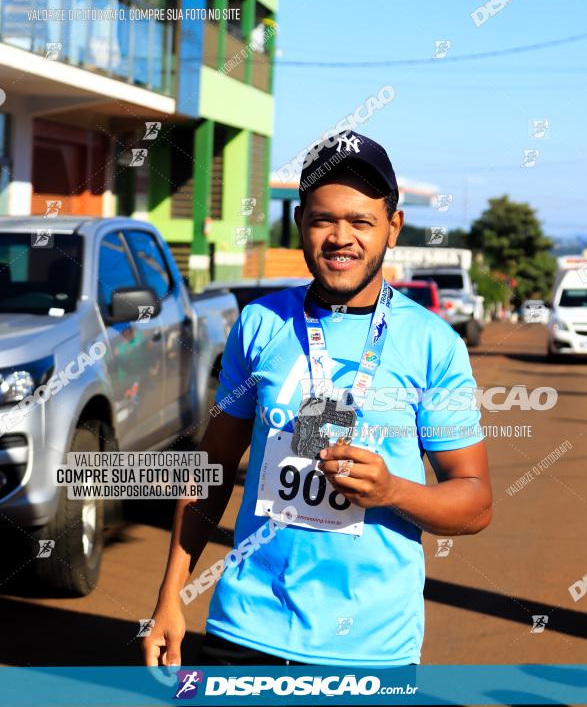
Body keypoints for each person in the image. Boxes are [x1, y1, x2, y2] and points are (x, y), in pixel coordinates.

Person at [144, 132, 492, 669]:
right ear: (301, 221)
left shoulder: (433, 344)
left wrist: (392, 490)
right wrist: (170, 596)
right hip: (246, 628)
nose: (340, 238)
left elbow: (474, 503)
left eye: (361, 221)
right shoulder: (259, 324)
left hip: (372, 648)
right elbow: (209, 470)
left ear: (393, 228)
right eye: (323, 219)